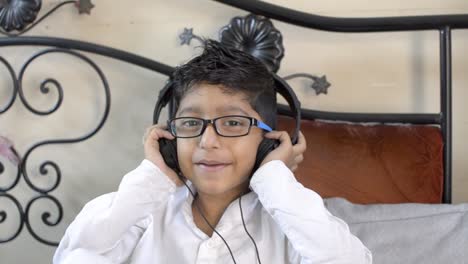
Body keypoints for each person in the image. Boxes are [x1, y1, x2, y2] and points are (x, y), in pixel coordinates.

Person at [53, 40, 372, 263]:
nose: (208, 141)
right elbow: (77, 255)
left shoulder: (294, 221)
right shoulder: (138, 212)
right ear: (167, 138)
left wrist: (276, 178)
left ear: (269, 141)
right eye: (191, 122)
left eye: (233, 122)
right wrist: (153, 178)